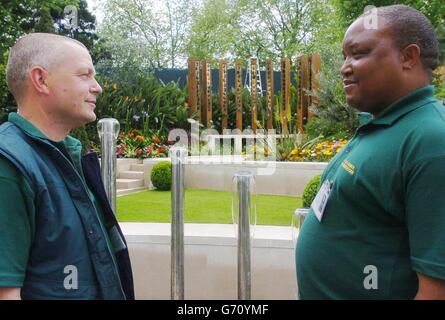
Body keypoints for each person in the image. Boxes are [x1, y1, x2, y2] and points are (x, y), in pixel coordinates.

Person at [296, 5, 445, 299]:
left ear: (408, 57)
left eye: (359, 53)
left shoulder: (431, 142)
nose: (344, 67)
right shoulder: (383, 124)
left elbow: (436, 290)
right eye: (344, 57)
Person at [0, 33, 134, 300]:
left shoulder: (68, 157)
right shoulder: (9, 164)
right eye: (84, 75)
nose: (97, 87)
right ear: (41, 80)